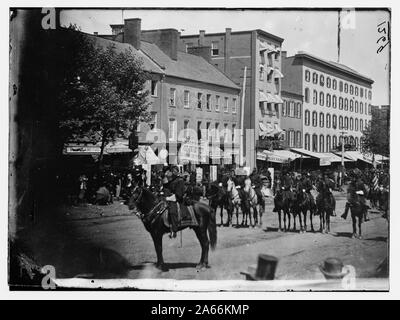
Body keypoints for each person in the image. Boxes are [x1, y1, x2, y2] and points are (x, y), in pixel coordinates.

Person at [164, 166, 185, 238]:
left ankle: (174, 230)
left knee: (172, 211)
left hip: (177, 198)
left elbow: (178, 194)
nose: (173, 172)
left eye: (174, 171)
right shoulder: (172, 180)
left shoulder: (180, 180)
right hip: (170, 197)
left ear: (177, 171)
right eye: (172, 171)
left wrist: (169, 198)